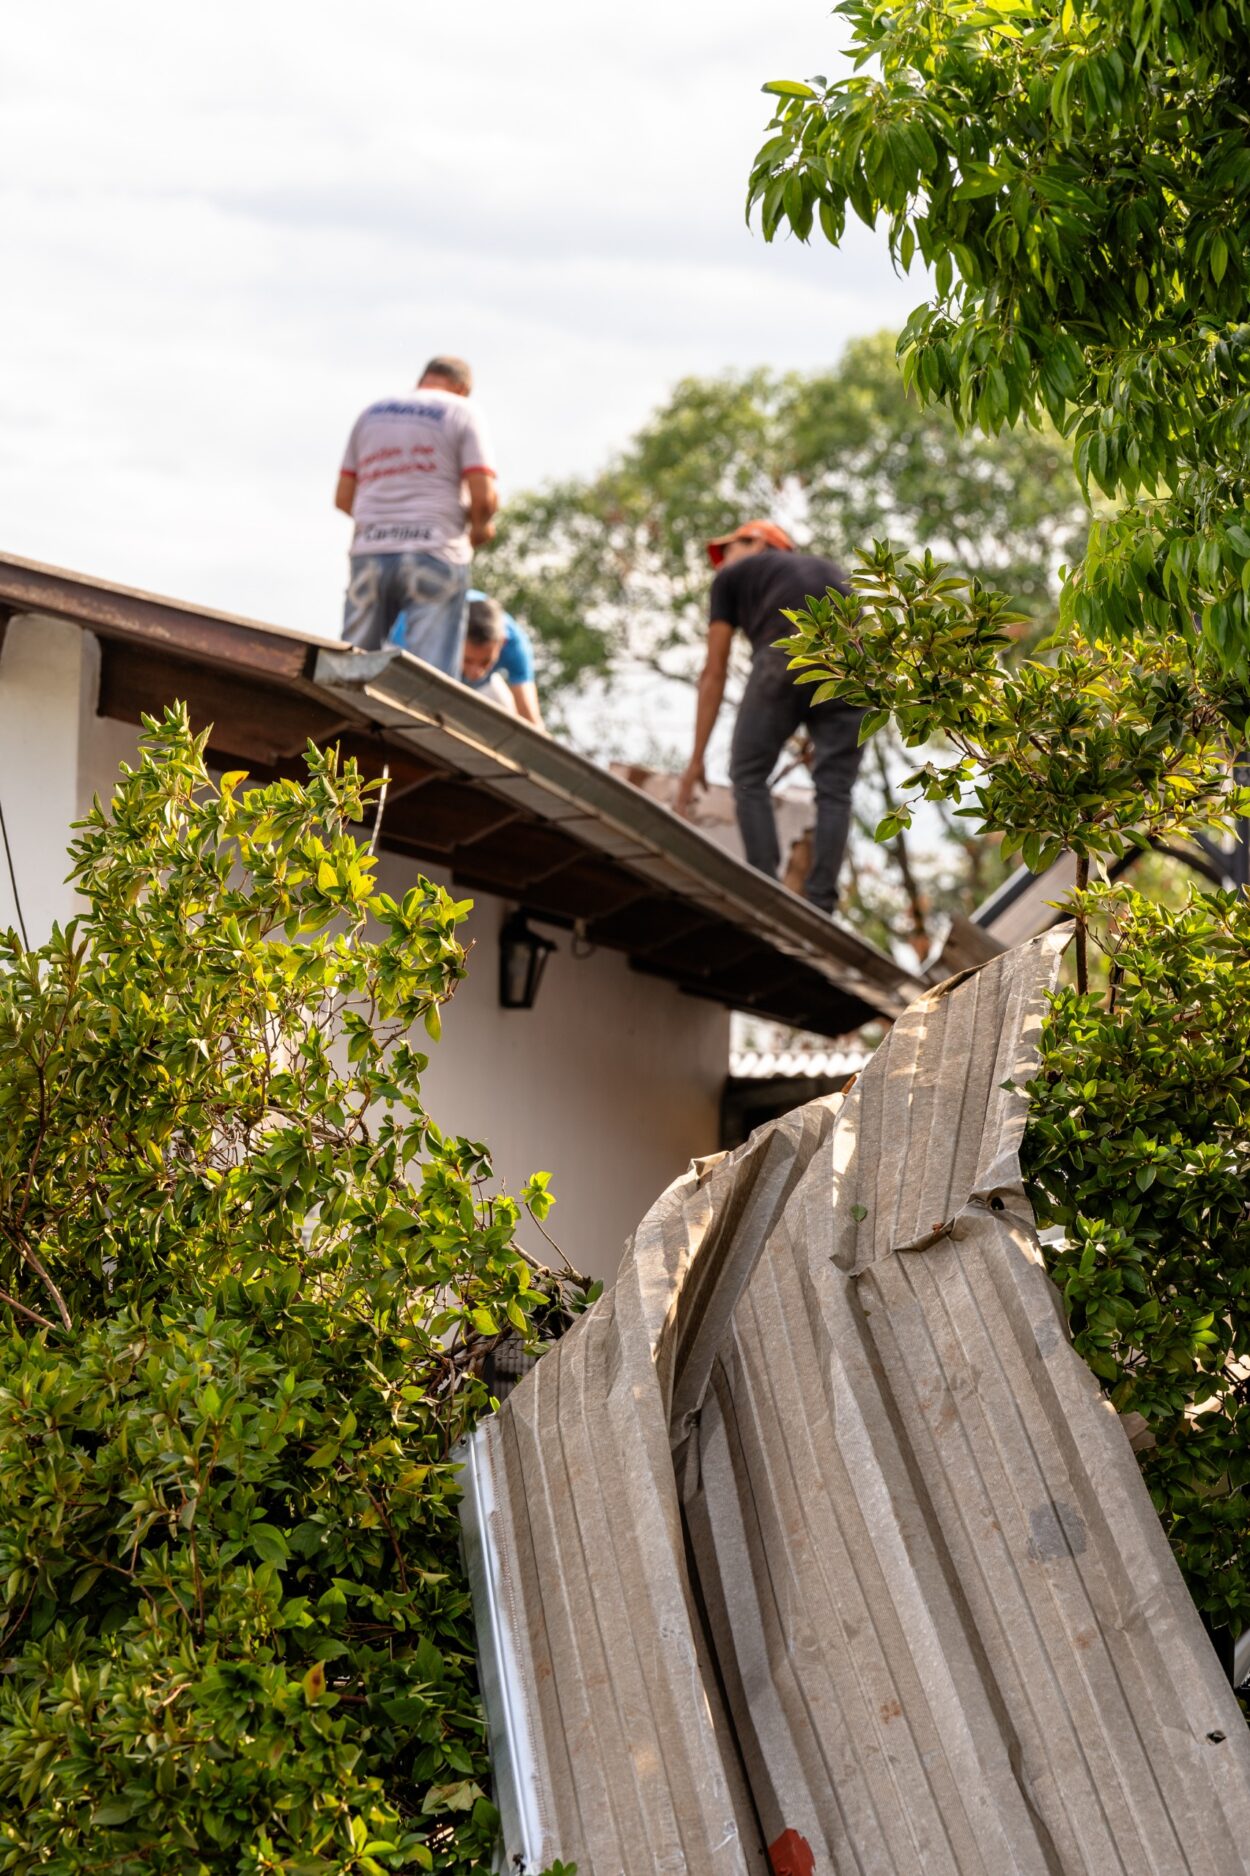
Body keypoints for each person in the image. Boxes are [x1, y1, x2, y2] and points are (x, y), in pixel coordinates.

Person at [674, 520, 865, 913]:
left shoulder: (732, 576)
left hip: (785, 653)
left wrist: (695, 761)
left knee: (747, 775)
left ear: (759, 542)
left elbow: (715, 669)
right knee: (835, 790)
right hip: (858, 666)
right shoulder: (827, 568)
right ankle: (822, 904)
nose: (721, 563)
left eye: (726, 550)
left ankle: (767, 893)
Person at [335, 354, 497, 675]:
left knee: (351, 670)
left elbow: (343, 498)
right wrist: (479, 528)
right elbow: (483, 496)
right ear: (462, 388)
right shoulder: (461, 411)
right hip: (434, 551)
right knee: (429, 679)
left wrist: (386, 522)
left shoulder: (371, 413)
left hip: (370, 550)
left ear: (423, 379)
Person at [462, 589, 544, 727]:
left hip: (486, 685)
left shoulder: (516, 645)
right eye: (467, 660)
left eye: (485, 662)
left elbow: (530, 718)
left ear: (502, 642)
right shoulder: (437, 621)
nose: (475, 672)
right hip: (432, 664)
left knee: (511, 727)